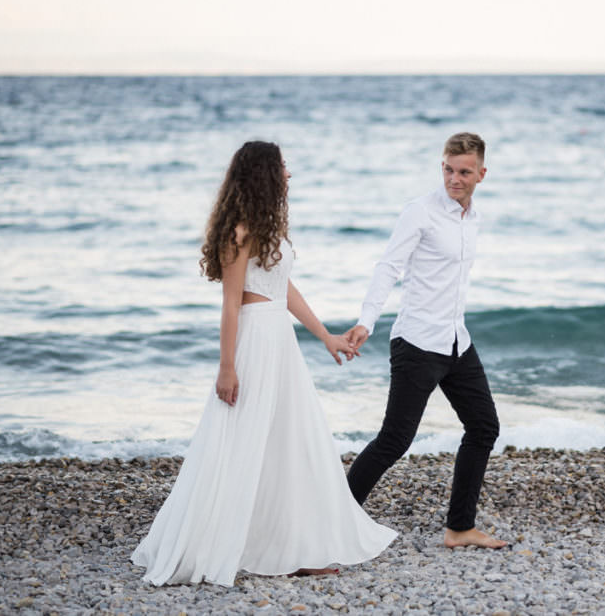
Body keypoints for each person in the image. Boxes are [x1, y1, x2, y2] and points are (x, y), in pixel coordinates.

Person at [131, 141, 396, 587]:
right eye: (283, 167)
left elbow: (284, 289)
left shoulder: (269, 227)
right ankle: (235, 542)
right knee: (241, 443)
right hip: (254, 342)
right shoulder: (239, 233)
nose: (289, 174)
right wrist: (227, 368)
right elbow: (232, 306)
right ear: (266, 175)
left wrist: (326, 336)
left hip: (281, 343)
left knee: (291, 443)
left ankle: (296, 544)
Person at [344, 132, 505, 549]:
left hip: (456, 341)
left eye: (464, 171)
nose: (455, 178)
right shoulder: (420, 212)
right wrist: (366, 321)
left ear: (481, 174)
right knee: (395, 440)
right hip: (417, 342)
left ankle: (459, 528)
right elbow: (388, 267)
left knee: (484, 426)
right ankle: (335, 520)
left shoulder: (473, 218)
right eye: (448, 169)